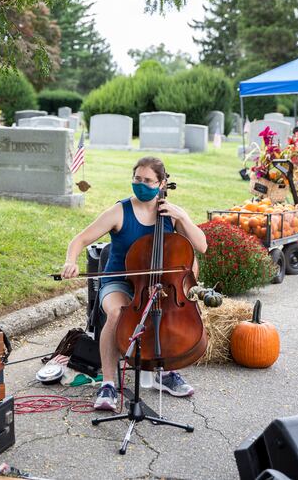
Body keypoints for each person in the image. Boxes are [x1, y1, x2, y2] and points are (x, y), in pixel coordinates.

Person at [60, 156, 208, 411]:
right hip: (118, 281)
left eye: (148, 180)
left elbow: (202, 246)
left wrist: (182, 217)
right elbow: (80, 239)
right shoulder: (120, 211)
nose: (141, 184)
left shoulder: (170, 215)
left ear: (161, 183)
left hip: (159, 284)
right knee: (118, 314)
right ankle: (108, 383)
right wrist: (70, 261)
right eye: (137, 179)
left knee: (164, 312)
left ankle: (164, 372)